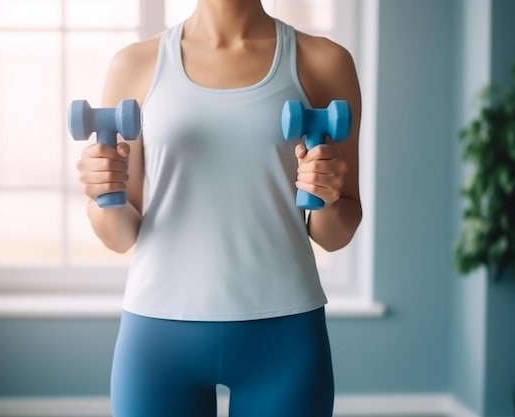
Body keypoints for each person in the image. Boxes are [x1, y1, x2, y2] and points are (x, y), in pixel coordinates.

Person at [76, 0, 362, 415]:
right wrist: (104, 191)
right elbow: (119, 235)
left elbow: (336, 233)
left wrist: (329, 194)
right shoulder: (134, 64)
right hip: (158, 337)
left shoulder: (324, 61)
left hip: (284, 336)